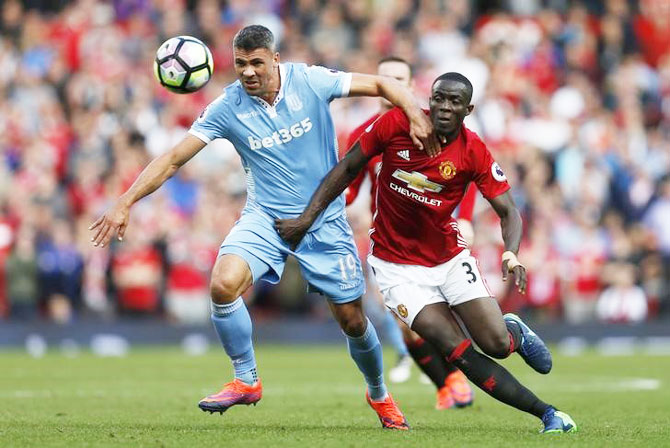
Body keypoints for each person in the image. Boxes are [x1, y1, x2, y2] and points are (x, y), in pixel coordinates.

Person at [89, 25, 439, 430]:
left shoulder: (310, 80)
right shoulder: (227, 107)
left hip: (322, 218)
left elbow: (381, 83)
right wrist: (124, 201)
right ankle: (246, 379)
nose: (249, 72)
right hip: (266, 218)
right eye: (240, 64)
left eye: (257, 62)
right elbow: (171, 160)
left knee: (353, 321)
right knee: (223, 284)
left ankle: (379, 393)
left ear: (275, 59)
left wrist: (414, 113)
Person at [276, 72, 578, 434]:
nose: (445, 107)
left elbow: (509, 210)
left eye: (454, 102)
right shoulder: (394, 124)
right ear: (430, 99)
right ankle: (549, 414)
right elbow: (347, 167)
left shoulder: (472, 150)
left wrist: (511, 253)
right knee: (459, 351)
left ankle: (512, 333)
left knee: (496, 345)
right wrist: (306, 219)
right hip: (396, 268)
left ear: (469, 109)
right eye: (439, 99)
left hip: (449, 260)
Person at [344, 56, 474, 410]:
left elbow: (469, 167)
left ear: (412, 83)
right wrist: (336, 203)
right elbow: (350, 184)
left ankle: (468, 368)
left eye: (398, 78)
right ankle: (449, 382)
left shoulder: (432, 123)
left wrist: (468, 218)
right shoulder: (366, 131)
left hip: (438, 236)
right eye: (383, 79)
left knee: (446, 312)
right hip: (392, 243)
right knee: (405, 323)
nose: (390, 85)